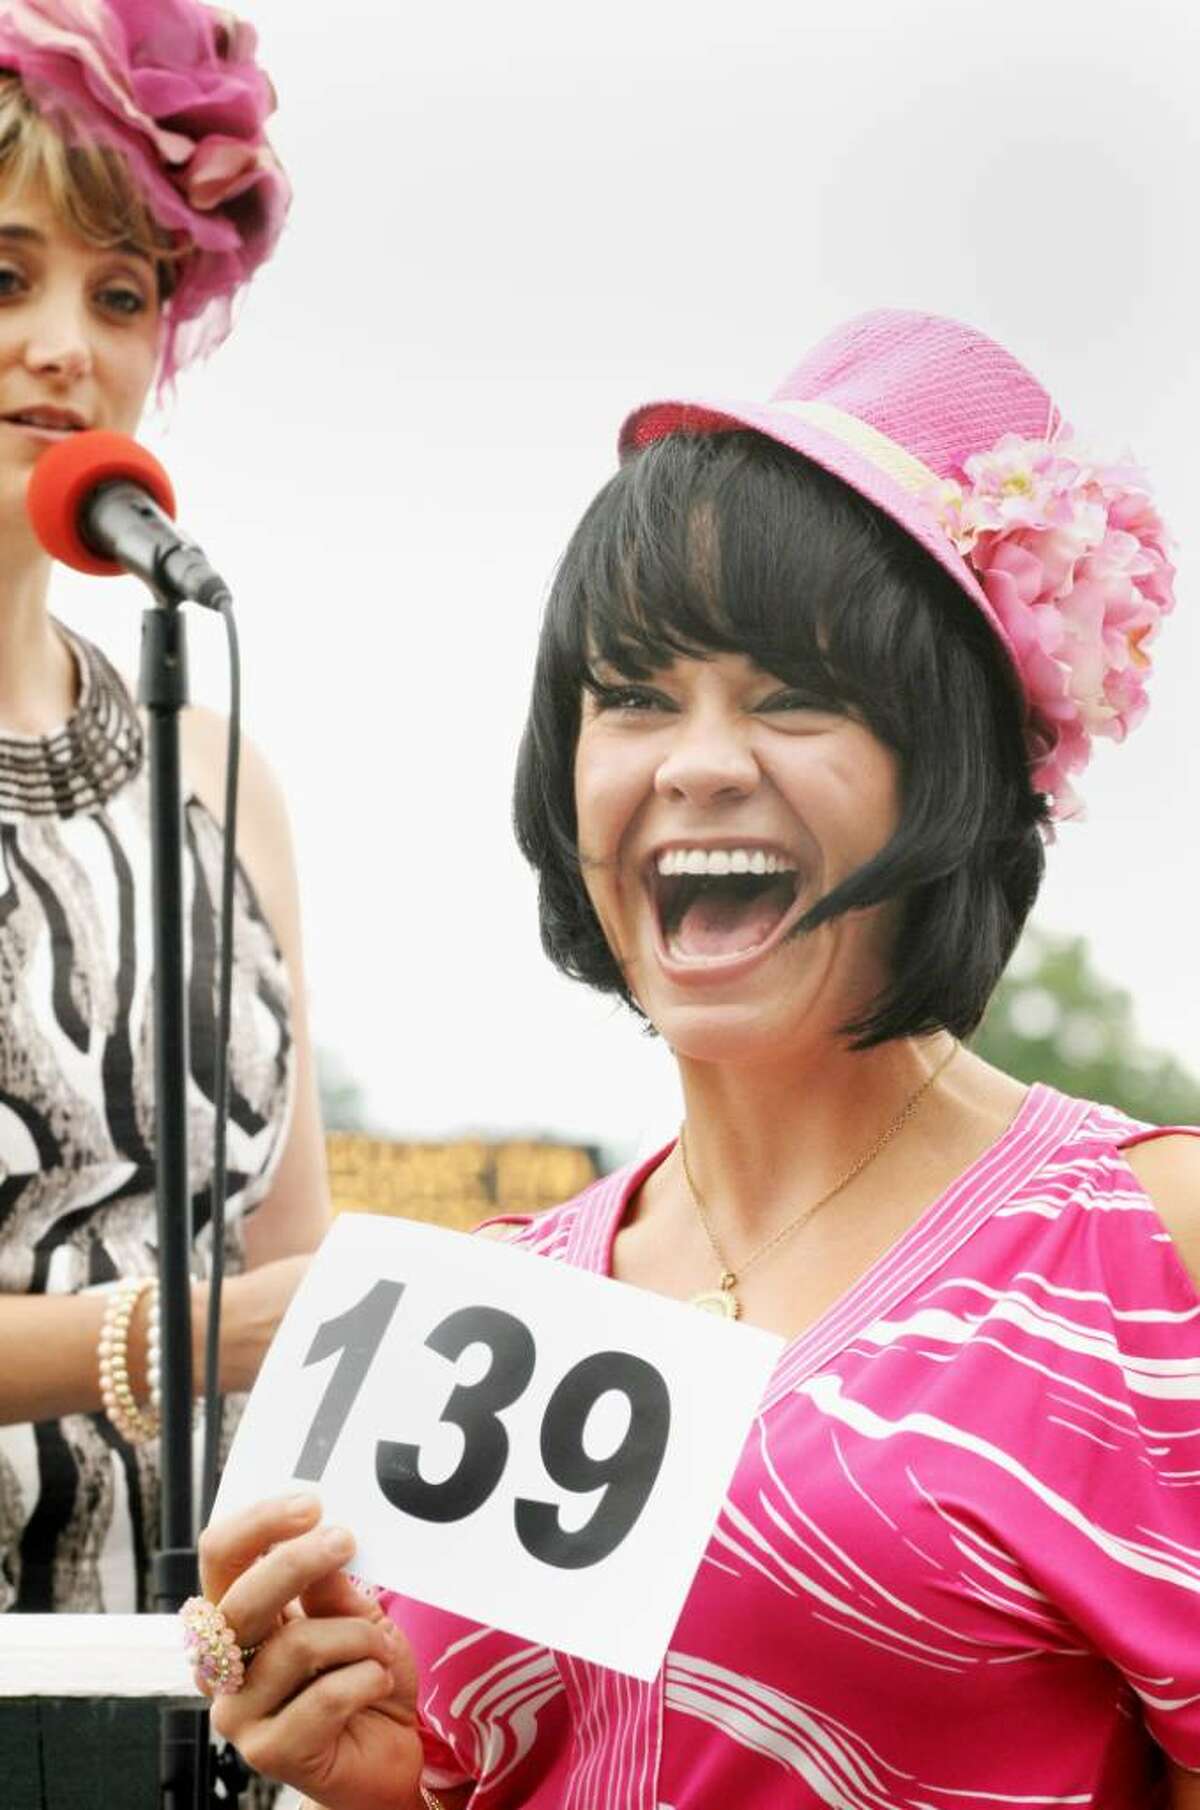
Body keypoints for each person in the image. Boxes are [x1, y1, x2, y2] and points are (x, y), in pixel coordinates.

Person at [192, 312, 1200, 1808]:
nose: (699, 761)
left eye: (792, 695)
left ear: (957, 767)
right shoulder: (489, 1299)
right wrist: (385, 1785)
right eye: (636, 696)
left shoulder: (1146, 1248)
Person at [0, 0, 330, 1614]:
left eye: (119, 294)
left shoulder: (216, 764)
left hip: (186, 1699)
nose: (69, 343)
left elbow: (298, 1265)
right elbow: (239, 1319)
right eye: (5, 275)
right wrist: (166, 1341)